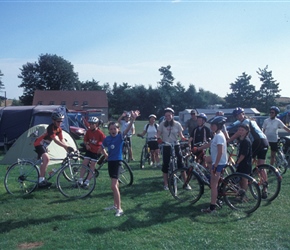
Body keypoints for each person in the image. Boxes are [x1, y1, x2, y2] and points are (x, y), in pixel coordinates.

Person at [101, 110, 140, 217]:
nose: (113, 130)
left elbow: (128, 129)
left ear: (118, 129)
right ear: (109, 130)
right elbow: (102, 146)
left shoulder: (120, 137)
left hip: (118, 162)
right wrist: (105, 154)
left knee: (113, 186)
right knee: (115, 185)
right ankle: (115, 205)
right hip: (110, 163)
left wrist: (133, 119)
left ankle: (119, 209)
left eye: (115, 129)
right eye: (111, 129)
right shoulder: (107, 139)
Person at [197, 116, 228, 214]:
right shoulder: (218, 134)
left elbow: (220, 152)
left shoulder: (219, 136)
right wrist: (198, 149)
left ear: (218, 126)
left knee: (213, 185)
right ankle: (217, 197)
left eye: (213, 125)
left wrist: (215, 166)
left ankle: (212, 208)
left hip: (219, 163)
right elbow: (210, 144)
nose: (211, 126)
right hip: (218, 161)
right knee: (206, 159)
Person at [34, 112, 73, 188]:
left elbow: (62, 140)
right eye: (58, 121)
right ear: (53, 121)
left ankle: (42, 179)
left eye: (61, 121)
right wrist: (66, 147)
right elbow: (55, 140)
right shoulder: (50, 128)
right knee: (46, 159)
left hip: (44, 145)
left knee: (44, 162)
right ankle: (41, 181)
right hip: (38, 143)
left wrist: (68, 148)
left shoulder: (59, 129)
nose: (60, 123)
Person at [157, 107, 188, 190]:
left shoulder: (177, 124)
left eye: (169, 115)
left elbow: (181, 135)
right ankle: (166, 184)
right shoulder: (162, 124)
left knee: (181, 163)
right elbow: (158, 134)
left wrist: (184, 138)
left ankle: (186, 183)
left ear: (172, 115)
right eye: (166, 116)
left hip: (175, 145)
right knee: (165, 164)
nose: (168, 117)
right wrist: (158, 138)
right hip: (166, 145)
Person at [79, 116, 106, 187]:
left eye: (92, 124)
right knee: (84, 163)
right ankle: (80, 179)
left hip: (96, 152)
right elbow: (85, 140)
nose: (91, 125)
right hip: (90, 150)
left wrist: (101, 149)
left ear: (96, 124)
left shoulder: (100, 133)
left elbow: (105, 142)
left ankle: (87, 181)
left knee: (92, 165)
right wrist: (87, 145)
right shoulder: (88, 132)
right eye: (90, 124)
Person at [235, 124, 252, 191]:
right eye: (239, 130)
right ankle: (240, 192)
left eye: (242, 130)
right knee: (240, 179)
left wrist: (238, 162)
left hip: (245, 163)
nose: (240, 131)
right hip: (240, 162)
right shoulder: (240, 139)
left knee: (244, 179)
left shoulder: (246, 141)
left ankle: (243, 194)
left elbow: (243, 154)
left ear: (246, 131)